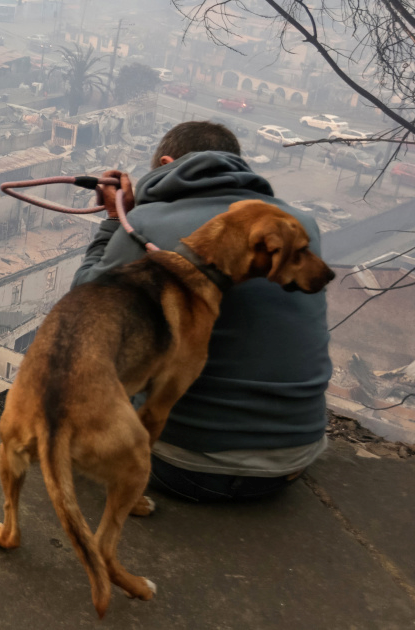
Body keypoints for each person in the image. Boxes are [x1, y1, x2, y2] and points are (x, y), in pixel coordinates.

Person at [73, 121, 332, 502]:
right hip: (294, 460)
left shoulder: (146, 224)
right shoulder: (300, 225)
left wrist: (116, 221)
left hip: (183, 465)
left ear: (167, 164)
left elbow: (83, 308)